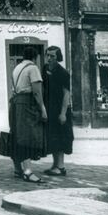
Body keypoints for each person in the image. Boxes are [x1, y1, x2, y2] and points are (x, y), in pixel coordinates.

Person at [8, 45, 48, 183]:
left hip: (16, 103)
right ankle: (28, 172)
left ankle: (18, 169)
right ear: (35, 57)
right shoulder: (33, 68)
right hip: (27, 104)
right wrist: (42, 108)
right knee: (28, 136)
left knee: (17, 135)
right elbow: (37, 92)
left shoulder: (17, 68)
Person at [42, 45, 74, 176]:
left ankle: (60, 167)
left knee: (60, 137)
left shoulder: (63, 73)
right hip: (49, 108)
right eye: (47, 55)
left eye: (52, 56)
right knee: (53, 137)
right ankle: (55, 165)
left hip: (60, 109)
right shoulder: (44, 69)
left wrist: (63, 113)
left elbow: (66, 94)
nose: (49, 58)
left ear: (58, 57)